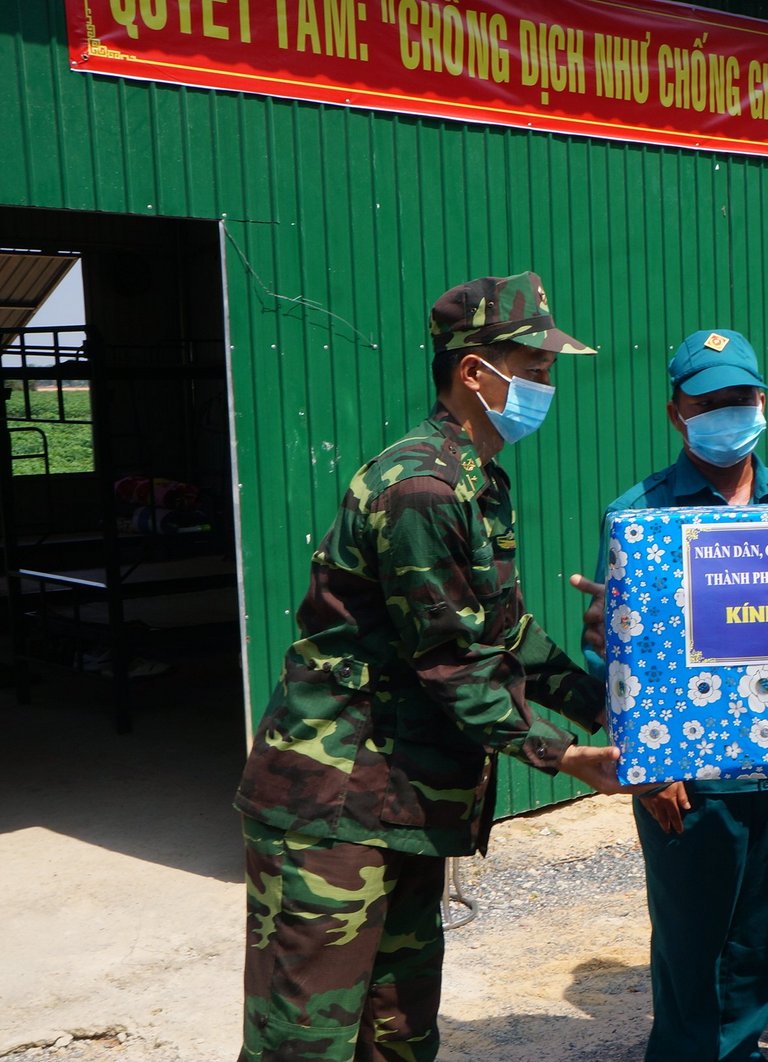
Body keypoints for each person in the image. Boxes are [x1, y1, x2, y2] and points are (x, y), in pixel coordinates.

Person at [233, 272, 628, 1062]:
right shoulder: (422, 489)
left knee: (400, 1032)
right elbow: (455, 666)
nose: (546, 386)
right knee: (303, 1042)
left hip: (400, 803)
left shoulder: (478, 482)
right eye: (535, 369)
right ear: (475, 372)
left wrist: (607, 707)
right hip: (332, 805)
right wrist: (564, 755)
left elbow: (506, 636)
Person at [582, 329, 768, 1062]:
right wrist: (647, 767)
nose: (727, 413)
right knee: (692, 951)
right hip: (685, 781)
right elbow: (607, 659)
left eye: (739, 398)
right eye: (708, 402)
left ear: (763, 402)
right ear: (677, 412)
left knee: (765, 945)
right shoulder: (639, 515)